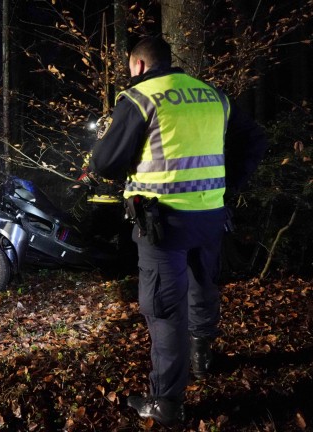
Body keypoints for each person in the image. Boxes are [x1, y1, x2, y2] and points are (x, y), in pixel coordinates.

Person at [87, 37, 267, 426]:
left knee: (165, 309)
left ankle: (166, 401)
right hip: (210, 216)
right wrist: (227, 183)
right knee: (203, 286)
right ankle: (202, 357)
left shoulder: (140, 98)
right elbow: (254, 139)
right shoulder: (212, 96)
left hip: (162, 223)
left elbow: (104, 163)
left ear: (137, 65)